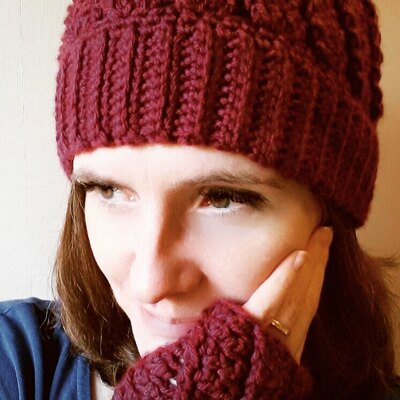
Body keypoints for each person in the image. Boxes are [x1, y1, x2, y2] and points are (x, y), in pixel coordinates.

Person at [0, 0, 399, 399]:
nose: (150, 283)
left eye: (223, 198)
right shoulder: (16, 359)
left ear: (329, 214)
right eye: (109, 191)